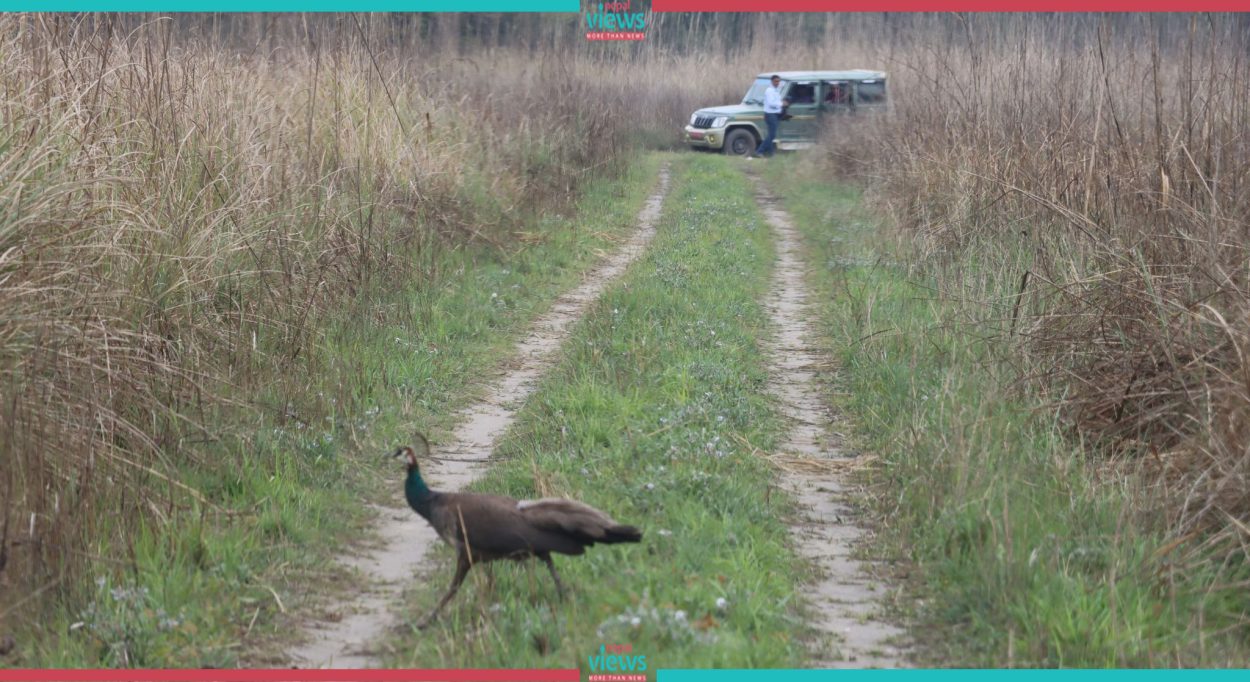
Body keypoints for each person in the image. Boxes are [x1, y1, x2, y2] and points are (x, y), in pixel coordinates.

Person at [752, 75, 787, 159]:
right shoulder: (769, 91)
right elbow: (771, 103)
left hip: (774, 114)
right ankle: (759, 151)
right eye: (776, 81)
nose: (777, 83)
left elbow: (774, 102)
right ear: (772, 81)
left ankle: (771, 154)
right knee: (772, 135)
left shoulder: (776, 91)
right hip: (771, 115)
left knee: (771, 135)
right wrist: (781, 104)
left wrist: (781, 103)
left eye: (778, 81)